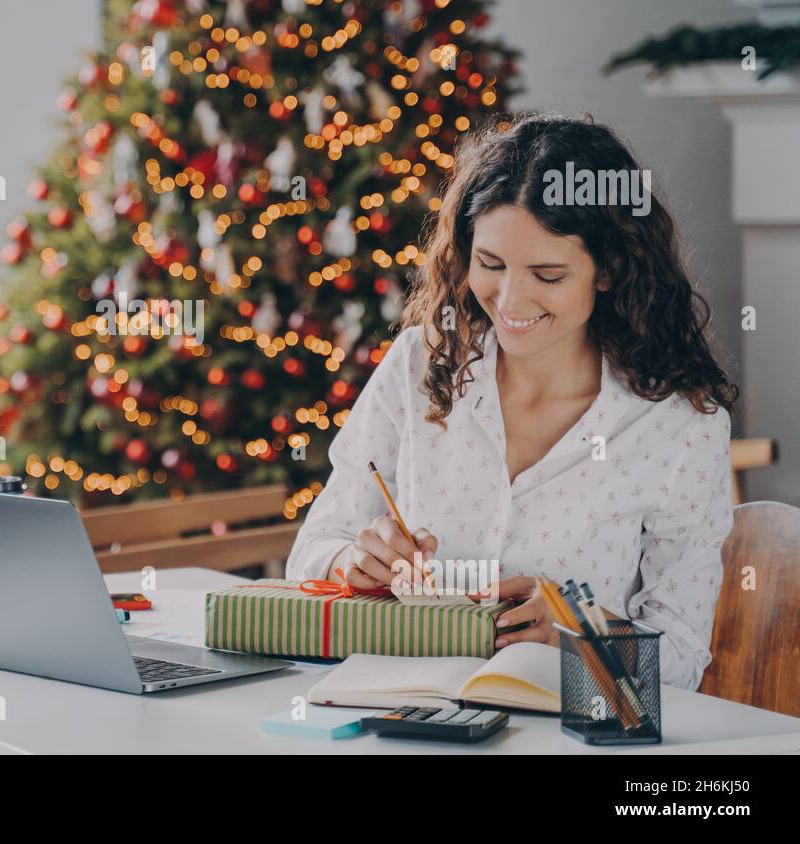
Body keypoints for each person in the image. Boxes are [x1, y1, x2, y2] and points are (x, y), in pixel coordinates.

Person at [286, 113, 738, 691]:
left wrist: (583, 634)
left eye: (547, 275)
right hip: (395, 715)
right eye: (491, 265)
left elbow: (680, 658)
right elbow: (312, 551)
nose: (511, 300)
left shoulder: (679, 428)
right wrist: (351, 563)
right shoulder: (419, 365)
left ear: (609, 271)